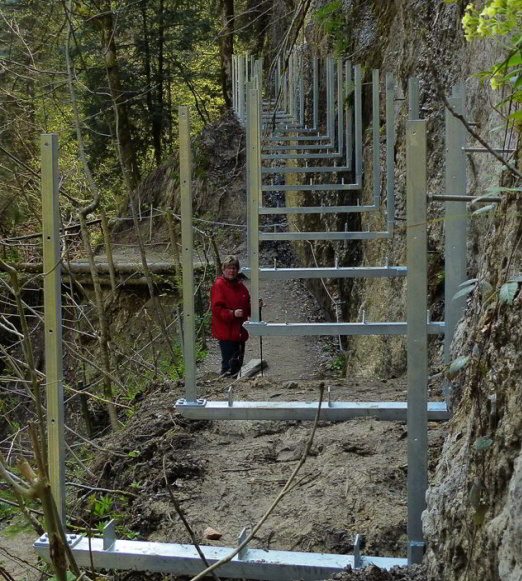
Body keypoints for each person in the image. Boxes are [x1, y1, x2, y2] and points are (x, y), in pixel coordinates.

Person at [211, 255, 251, 377]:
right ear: (223, 269)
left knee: (238, 364)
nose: (231, 271)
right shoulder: (219, 285)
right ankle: (225, 388)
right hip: (226, 333)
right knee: (229, 366)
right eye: (228, 268)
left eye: (234, 268)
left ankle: (235, 388)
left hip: (239, 331)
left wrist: (256, 306)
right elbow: (216, 310)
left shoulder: (240, 287)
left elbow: (247, 308)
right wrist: (232, 314)